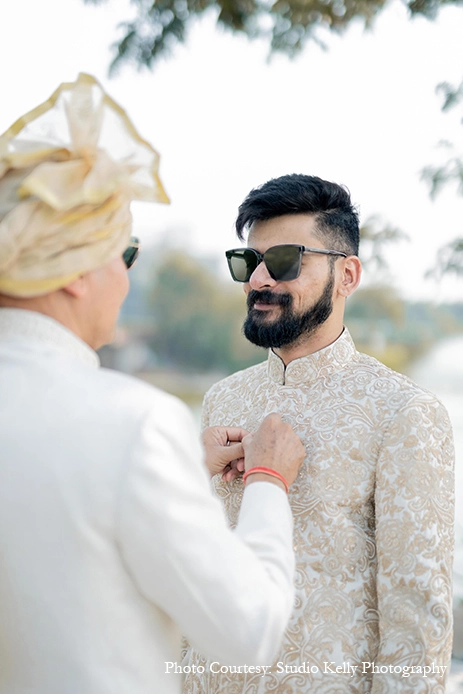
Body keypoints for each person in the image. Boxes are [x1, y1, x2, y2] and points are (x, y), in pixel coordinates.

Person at [0, 76, 306, 694]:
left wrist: (176, 469)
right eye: (126, 254)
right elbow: (248, 632)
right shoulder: (134, 423)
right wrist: (268, 482)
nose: (127, 279)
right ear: (76, 272)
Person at [184, 174, 455, 694]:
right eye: (248, 261)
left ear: (347, 275)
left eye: (284, 260)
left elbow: (419, 619)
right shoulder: (223, 399)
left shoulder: (403, 412)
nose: (258, 280)